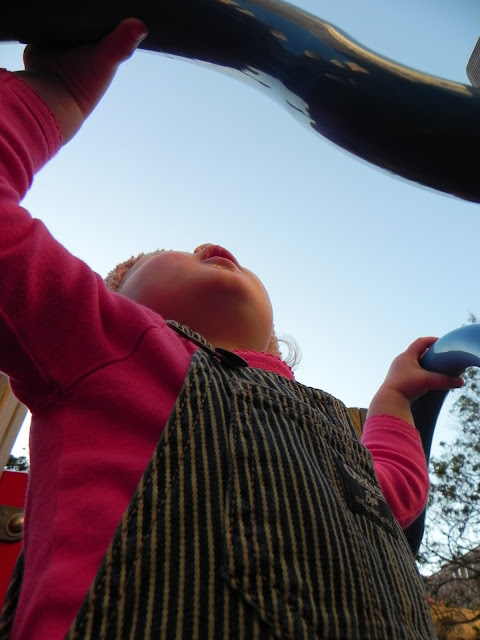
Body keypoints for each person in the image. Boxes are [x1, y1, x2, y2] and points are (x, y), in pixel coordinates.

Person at [0, 19, 463, 640]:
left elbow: (395, 491)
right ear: (113, 300)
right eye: (159, 255)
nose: (211, 246)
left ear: (273, 346)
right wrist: (52, 95)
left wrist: (394, 397)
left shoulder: (326, 426)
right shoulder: (101, 343)